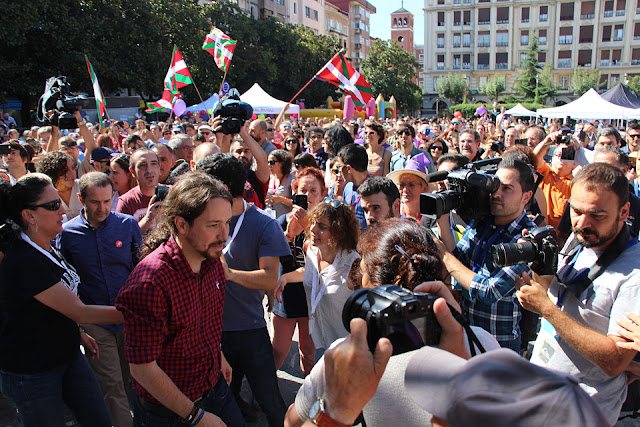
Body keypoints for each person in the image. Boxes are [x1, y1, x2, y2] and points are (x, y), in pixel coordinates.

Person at [287, 219, 500, 427]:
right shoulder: (481, 341)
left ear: (373, 286)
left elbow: (292, 421)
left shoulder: (348, 356)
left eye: (362, 270)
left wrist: (332, 412)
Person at [115, 172, 244, 426]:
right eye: (213, 225)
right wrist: (195, 417)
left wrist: (217, 356)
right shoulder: (150, 283)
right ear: (182, 225)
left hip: (213, 388)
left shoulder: (212, 259)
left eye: (227, 222)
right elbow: (142, 368)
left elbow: (201, 324)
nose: (224, 234)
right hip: (167, 411)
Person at [517, 163, 640, 425]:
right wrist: (538, 261)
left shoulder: (634, 276)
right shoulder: (581, 239)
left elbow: (615, 361)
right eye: (576, 211)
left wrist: (546, 310)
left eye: (597, 214)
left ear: (624, 212)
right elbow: (552, 293)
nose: (583, 223)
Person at [0, 174, 124, 426]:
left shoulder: (45, 245)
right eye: (54, 205)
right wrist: (144, 311)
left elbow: (56, 303)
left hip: (67, 355)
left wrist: (76, 333)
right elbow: (81, 311)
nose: (65, 210)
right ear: (29, 215)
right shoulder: (23, 260)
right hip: (33, 370)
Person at [196, 153, 290, 426]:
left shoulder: (263, 223)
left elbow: (270, 279)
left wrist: (230, 274)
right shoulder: (199, 221)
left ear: (222, 188)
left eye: (204, 186)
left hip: (248, 330)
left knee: (270, 401)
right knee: (221, 400)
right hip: (210, 331)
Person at [58, 172, 142, 427]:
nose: (102, 208)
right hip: (95, 323)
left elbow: (140, 270)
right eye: (95, 202)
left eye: (107, 201)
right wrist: (79, 328)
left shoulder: (127, 226)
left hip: (129, 319)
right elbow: (67, 284)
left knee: (136, 380)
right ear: (82, 199)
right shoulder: (69, 235)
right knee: (112, 385)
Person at [435, 158, 536, 351]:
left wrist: (444, 255)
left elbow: (490, 291)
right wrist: (443, 218)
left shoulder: (527, 239)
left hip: (499, 344)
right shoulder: (483, 221)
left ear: (526, 196)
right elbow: (459, 261)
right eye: (495, 186)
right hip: (465, 332)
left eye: (507, 189)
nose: (496, 194)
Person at [274, 198, 360, 356]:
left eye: (322, 226)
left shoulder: (354, 265)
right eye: (313, 222)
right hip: (319, 341)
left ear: (339, 231)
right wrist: (286, 278)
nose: (312, 229)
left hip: (345, 350)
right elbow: (312, 273)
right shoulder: (312, 250)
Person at [272, 167, 326, 378]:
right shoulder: (282, 222)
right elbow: (275, 259)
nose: (309, 196)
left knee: (309, 351)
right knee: (279, 350)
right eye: (303, 190)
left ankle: (309, 396)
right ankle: (265, 395)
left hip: (313, 297)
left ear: (323, 194)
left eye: (314, 190)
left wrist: (309, 228)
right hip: (286, 294)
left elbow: (325, 262)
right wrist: (288, 236)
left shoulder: (327, 226)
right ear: (295, 194)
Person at [533, 131, 579, 230]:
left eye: (566, 155)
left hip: (560, 237)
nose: (561, 159)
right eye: (558, 155)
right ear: (552, 159)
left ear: (575, 163)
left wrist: (580, 149)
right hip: (538, 231)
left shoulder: (576, 184)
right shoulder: (544, 173)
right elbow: (535, 158)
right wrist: (547, 142)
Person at [115, 148, 161, 233]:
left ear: (159, 168)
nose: (149, 170)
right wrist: (148, 219)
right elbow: (123, 238)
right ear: (132, 171)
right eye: (142, 165)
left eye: (153, 164)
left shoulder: (173, 193)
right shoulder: (126, 202)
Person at [36, 151, 83, 220]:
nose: (72, 173)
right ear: (53, 173)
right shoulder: (45, 195)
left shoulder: (84, 187)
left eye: (73, 168)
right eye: (65, 170)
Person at [387, 153, 432, 226]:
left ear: (424, 188)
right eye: (402, 185)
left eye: (411, 185)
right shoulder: (393, 213)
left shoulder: (432, 215)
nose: (405, 190)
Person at [335, 144, 369, 229]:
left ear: (348, 169)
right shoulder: (347, 187)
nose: (339, 171)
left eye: (339, 166)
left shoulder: (375, 190)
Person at [266, 149, 295, 218]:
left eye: (272, 162)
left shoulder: (291, 179)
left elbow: (296, 203)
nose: (269, 165)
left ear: (282, 163)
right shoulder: (269, 178)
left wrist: (281, 199)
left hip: (285, 220)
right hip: (270, 219)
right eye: (268, 162)